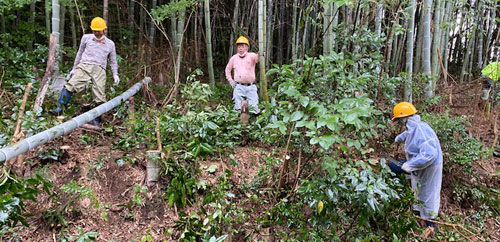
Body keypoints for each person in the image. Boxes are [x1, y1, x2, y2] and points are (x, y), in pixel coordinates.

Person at [50, 17, 120, 126]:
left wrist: (115, 74)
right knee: (70, 85)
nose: (96, 33)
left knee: (99, 95)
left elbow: (113, 61)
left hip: (100, 69)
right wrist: (74, 69)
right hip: (84, 66)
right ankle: (60, 108)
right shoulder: (86, 38)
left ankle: (96, 120)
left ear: (104, 30)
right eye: (94, 30)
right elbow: (79, 53)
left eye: (98, 31)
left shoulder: (110, 44)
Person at [388, 102, 443, 234]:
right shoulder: (415, 127)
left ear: (404, 118)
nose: (400, 123)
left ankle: (431, 226)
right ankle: (418, 220)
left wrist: (409, 165)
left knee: (428, 195)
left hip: (430, 166)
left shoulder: (420, 129)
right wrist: (399, 138)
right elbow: (410, 133)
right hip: (422, 165)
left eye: (399, 121)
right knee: (419, 192)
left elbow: (429, 153)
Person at [225, 36, 260, 115]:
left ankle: (252, 124)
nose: (240, 48)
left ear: (247, 48)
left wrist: (261, 54)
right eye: (239, 46)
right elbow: (227, 69)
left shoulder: (251, 56)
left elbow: (258, 58)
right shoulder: (233, 58)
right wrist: (230, 80)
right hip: (239, 86)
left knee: (253, 108)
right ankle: (241, 124)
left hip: (251, 86)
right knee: (238, 108)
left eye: (243, 46)